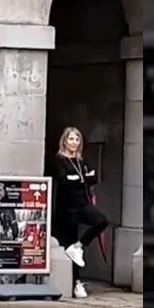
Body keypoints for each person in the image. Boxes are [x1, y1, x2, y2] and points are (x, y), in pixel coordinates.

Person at [51, 126, 109, 298]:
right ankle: (76, 282)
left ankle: (80, 245)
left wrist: (80, 179)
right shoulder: (60, 160)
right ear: (65, 141)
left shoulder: (81, 161)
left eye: (77, 139)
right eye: (71, 139)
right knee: (69, 243)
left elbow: (93, 177)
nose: (74, 142)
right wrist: (82, 179)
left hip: (83, 204)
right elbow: (64, 180)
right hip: (67, 208)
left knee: (101, 221)